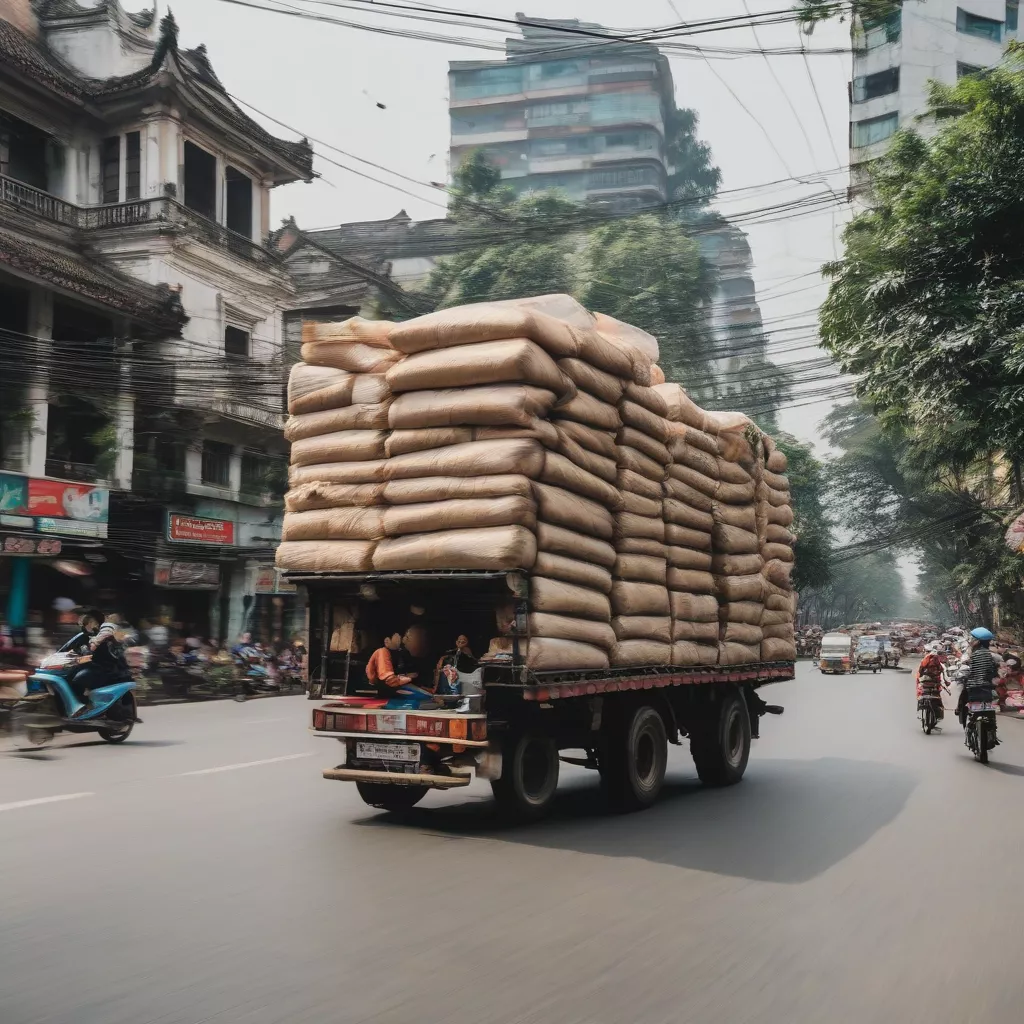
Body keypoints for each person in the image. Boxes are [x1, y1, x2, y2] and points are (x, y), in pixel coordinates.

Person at [957, 627, 1000, 734]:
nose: (971, 641)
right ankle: (993, 732)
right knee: (990, 708)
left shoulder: (974, 654)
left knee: (963, 695)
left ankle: (959, 710)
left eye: (973, 639)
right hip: (988, 687)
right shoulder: (992, 655)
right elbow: (995, 671)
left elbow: (969, 670)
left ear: (978, 642)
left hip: (974, 687)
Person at [365, 631, 417, 697]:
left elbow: (411, 670)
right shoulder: (382, 652)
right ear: (387, 640)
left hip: (397, 691)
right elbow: (390, 680)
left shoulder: (402, 652)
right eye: (399, 636)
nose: (403, 639)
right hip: (383, 692)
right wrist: (408, 677)